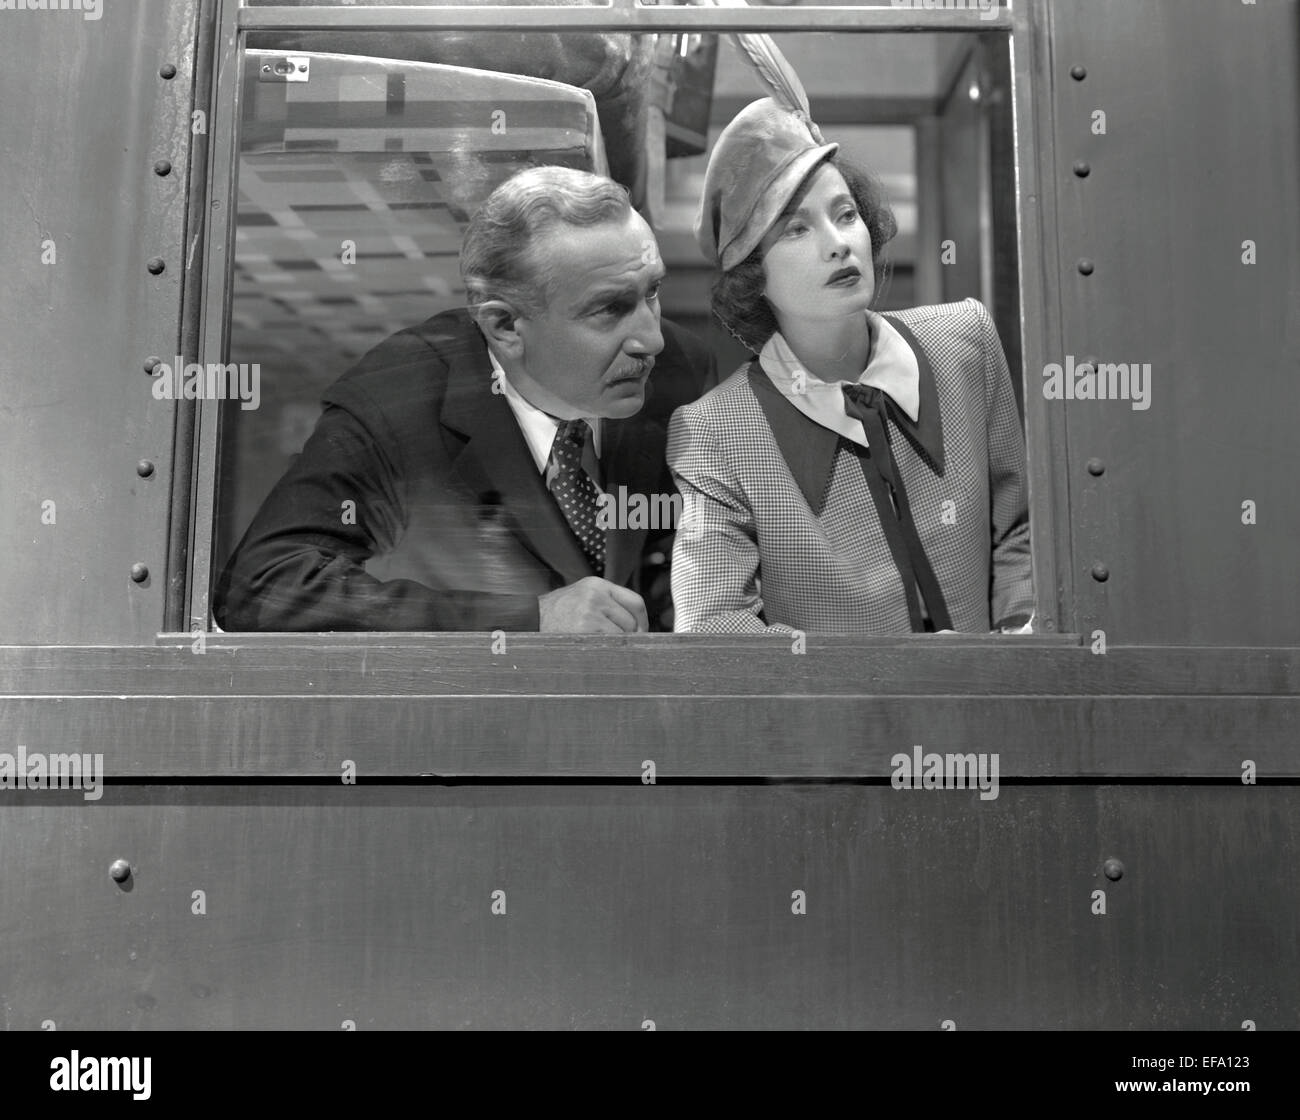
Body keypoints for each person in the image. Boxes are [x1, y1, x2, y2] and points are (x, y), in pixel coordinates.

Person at [214, 166, 716, 633]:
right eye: (610, 308)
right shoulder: (400, 399)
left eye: (652, 292)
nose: (652, 341)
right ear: (504, 326)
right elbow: (263, 587)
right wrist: (529, 621)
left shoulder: (680, 371)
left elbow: (677, 549)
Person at [668, 98, 1034, 634]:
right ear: (752, 276)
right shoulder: (715, 430)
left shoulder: (963, 341)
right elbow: (712, 623)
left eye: (846, 215)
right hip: (844, 716)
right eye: (796, 230)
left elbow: (1020, 530)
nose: (839, 244)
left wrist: (1016, 644)